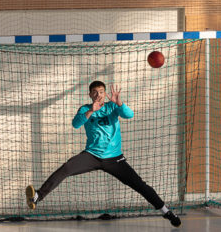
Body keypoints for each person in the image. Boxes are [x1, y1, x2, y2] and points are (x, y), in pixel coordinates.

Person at [25, 81, 181, 227]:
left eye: (101, 92)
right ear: (90, 95)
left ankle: (166, 212)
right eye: (95, 92)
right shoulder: (85, 109)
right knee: (66, 168)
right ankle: (38, 196)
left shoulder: (112, 107)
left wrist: (119, 102)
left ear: (105, 93)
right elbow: (76, 124)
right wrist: (91, 110)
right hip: (91, 156)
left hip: (114, 158)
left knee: (139, 185)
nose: (98, 95)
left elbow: (129, 114)